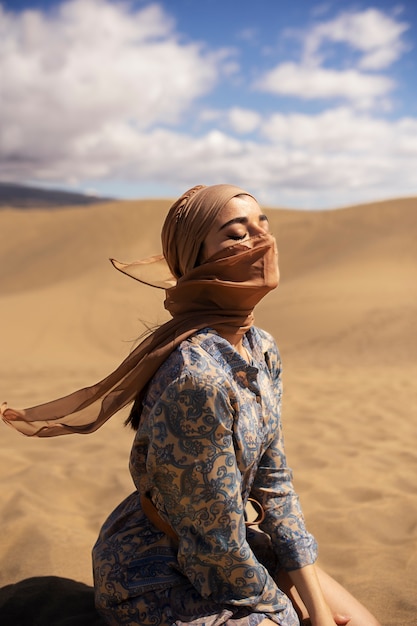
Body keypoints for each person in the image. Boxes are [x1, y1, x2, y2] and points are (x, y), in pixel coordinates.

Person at [1, 185, 381, 626]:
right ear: (198, 261)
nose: (262, 241)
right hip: (155, 573)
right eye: (237, 234)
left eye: (264, 225)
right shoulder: (195, 378)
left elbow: (274, 483)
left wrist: (315, 607)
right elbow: (213, 545)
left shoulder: (261, 348)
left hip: (231, 547)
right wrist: (289, 612)